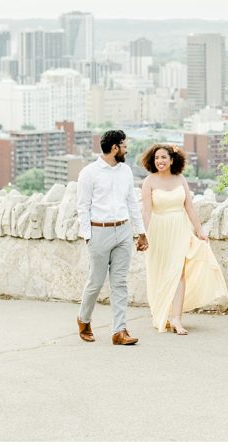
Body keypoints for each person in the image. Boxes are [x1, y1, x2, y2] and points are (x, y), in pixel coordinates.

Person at [140, 144, 228, 335]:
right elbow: (146, 211)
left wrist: (199, 230)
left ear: (172, 160)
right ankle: (163, 311)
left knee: (179, 272)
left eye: (163, 157)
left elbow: (189, 207)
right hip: (159, 231)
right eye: (156, 158)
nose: (160, 161)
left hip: (180, 228)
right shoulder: (149, 182)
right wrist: (144, 235)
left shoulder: (180, 180)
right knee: (163, 272)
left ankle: (177, 319)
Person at [75, 129, 148, 345]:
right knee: (95, 282)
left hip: (123, 231)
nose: (127, 149)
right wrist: (89, 236)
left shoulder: (125, 171)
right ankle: (84, 319)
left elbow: (132, 203)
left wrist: (141, 232)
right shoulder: (89, 173)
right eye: (124, 146)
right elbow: (82, 206)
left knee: (120, 283)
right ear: (114, 148)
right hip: (99, 232)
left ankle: (119, 331)